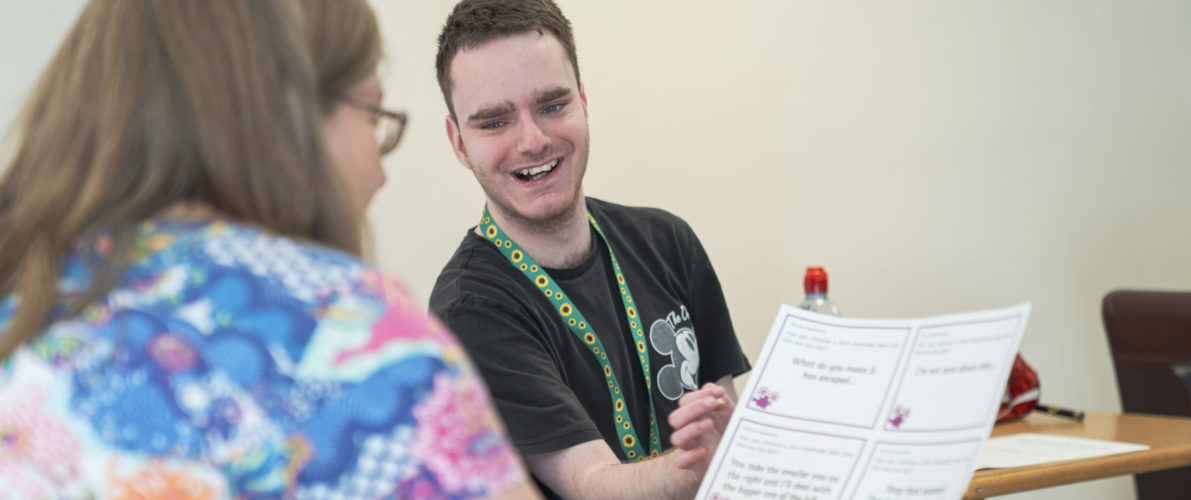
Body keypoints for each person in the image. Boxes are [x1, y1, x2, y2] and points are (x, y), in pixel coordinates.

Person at [0, 0, 540, 498]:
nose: (378, 172)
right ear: (288, 120)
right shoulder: (356, 340)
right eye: (373, 116)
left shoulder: (24, 312)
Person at [429, 0, 752, 497]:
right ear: (458, 143)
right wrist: (696, 465)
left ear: (583, 100)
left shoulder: (668, 242)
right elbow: (589, 485)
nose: (532, 141)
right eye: (494, 122)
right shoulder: (469, 310)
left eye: (553, 105)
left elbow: (721, 420)